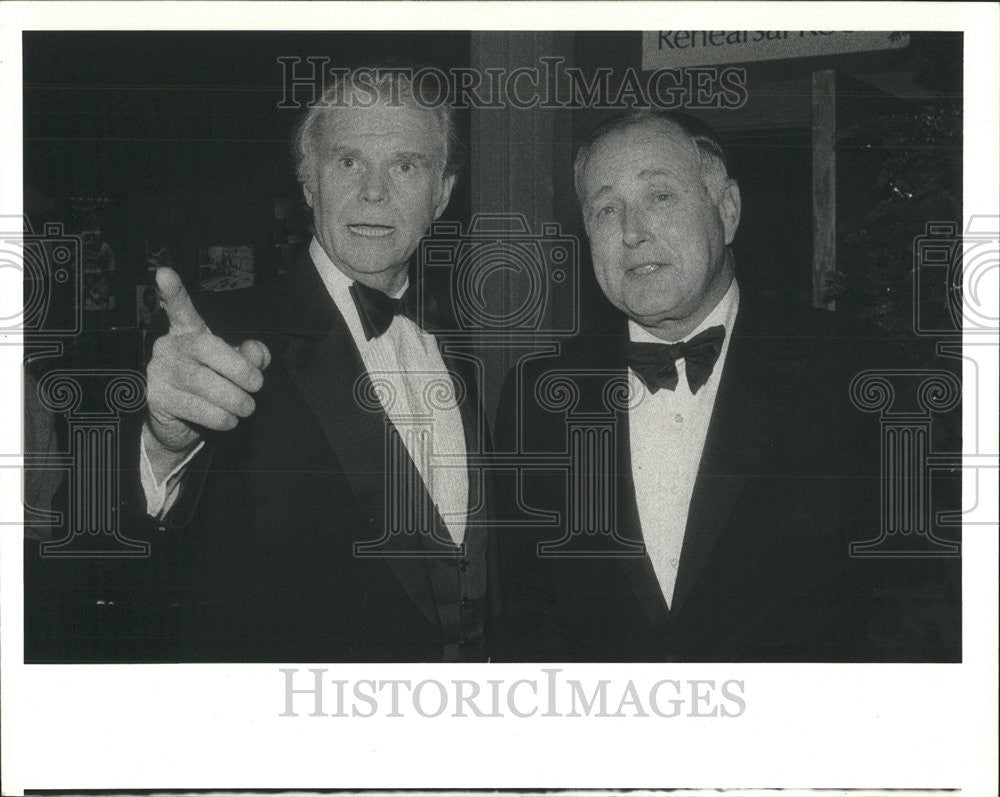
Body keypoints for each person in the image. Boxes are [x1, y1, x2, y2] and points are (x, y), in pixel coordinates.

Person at [492, 110, 960, 662]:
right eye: (605, 208)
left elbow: (920, 600)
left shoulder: (852, 370)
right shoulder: (537, 396)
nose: (632, 231)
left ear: (728, 211)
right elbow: (524, 616)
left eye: (659, 197)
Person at [120, 69, 496, 662]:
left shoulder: (454, 344)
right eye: (348, 162)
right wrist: (162, 445)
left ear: (441, 194)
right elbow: (113, 556)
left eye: (406, 165)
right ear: (308, 182)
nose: (375, 192)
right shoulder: (220, 337)